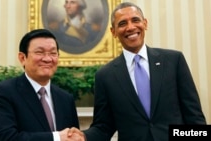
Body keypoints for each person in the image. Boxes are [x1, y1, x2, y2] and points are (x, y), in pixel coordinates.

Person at [68, 2, 206, 141]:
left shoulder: (173, 61)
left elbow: (194, 115)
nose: (130, 27)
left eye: (135, 20)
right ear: (113, 32)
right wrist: (84, 136)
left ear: (145, 23)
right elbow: (104, 126)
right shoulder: (105, 76)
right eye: (122, 23)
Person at [0, 29, 82, 141]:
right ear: (22, 58)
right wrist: (56, 137)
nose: (47, 59)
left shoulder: (65, 98)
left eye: (53, 53)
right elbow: (5, 138)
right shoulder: (4, 92)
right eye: (40, 52)